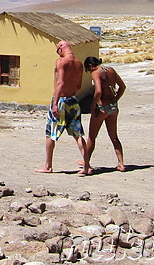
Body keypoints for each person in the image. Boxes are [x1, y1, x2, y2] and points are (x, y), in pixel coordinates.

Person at [37, 40, 87, 173]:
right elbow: (78, 86)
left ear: (60, 48)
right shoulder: (79, 63)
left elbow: (61, 83)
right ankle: (87, 166)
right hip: (73, 100)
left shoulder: (61, 62)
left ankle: (48, 166)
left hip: (61, 100)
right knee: (78, 134)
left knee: (50, 134)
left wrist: (55, 103)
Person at [81, 57, 127, 175]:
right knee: (114, 137)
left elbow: (98, 91)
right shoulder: (110, 70)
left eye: (88, 69)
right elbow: (122, 86)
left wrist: (93, 105)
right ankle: (121, 163)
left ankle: (86, 163)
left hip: (101, 107)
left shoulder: (96, 73)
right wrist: (116, 99)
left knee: (92, 136)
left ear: (91, 65)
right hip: (113, 107)